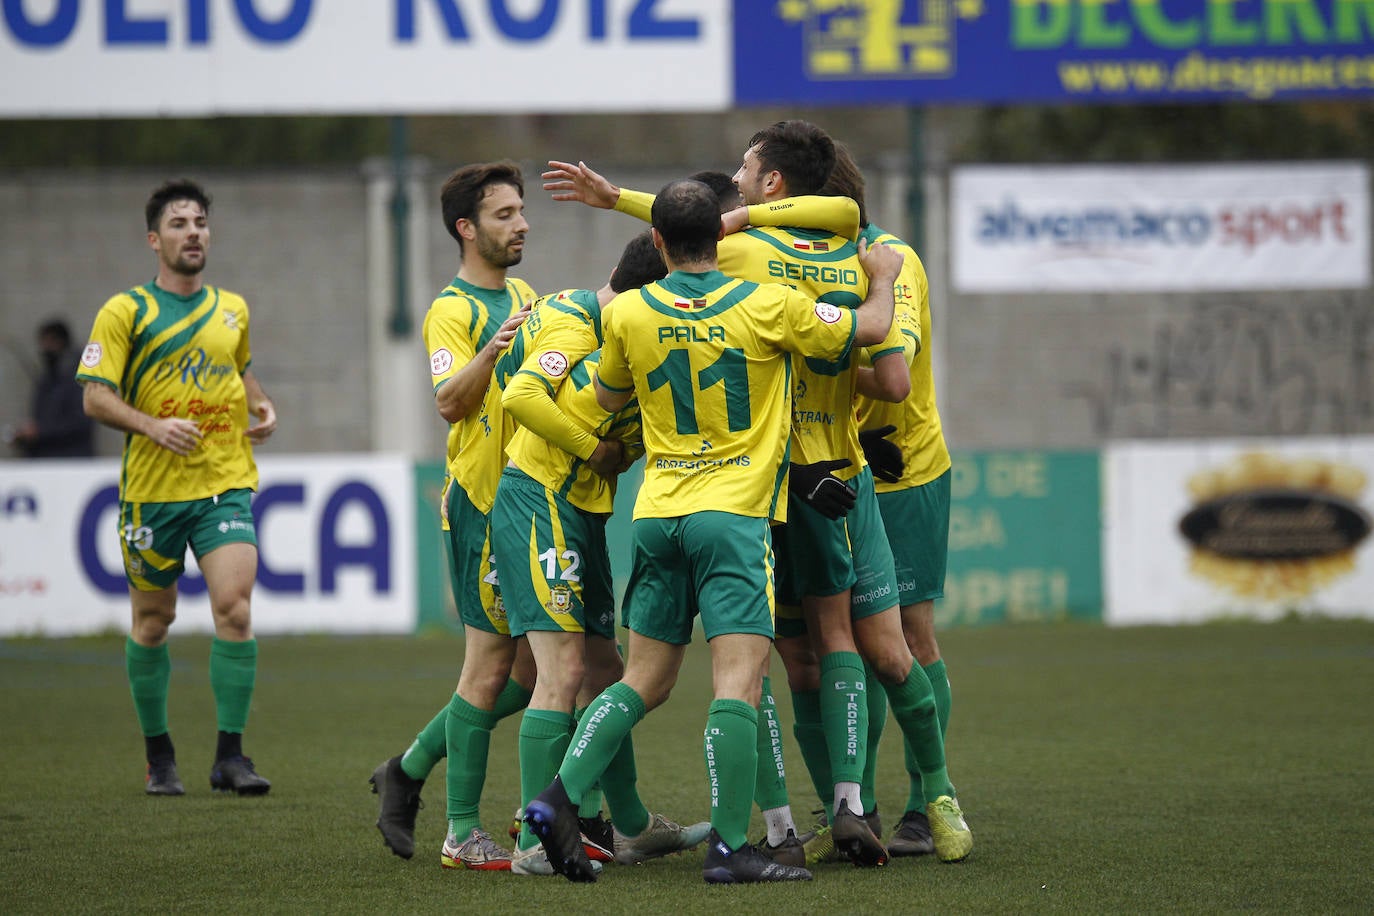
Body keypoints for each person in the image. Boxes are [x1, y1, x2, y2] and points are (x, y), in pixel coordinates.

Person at [540, 121, 972, 866]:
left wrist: (618, 211)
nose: (737, 181)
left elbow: (607, 388)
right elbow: (877, 336)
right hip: (798, 483)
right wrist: (882, 285)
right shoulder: (819, 271)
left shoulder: (665, 297)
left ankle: (570, 801)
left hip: (688, 503)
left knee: (677, 674)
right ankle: (838, 811)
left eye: (746, 168)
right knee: (841, 653)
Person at [492, 231, 709, 876]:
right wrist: (595, 449)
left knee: (605, 671)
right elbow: (520, 396)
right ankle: (535, 843)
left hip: (583, 512)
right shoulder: (572, 322)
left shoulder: (636, 347)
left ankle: (632, 827)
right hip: (539, 501)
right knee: (556, 675)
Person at [78, 178, 277, 797]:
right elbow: (94, 396)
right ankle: (159, 755)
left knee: (235, 608)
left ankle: (230, 757)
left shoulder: (232, 308)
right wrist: (152, 426)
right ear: (153, 239)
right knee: (153, 621)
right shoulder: (124, 312)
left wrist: (262, 405)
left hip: (224, 482)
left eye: (200, 223)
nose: (193, 233)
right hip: (151, 493)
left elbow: (238, 370)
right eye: (179, 224)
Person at [369, 161, 537, 870]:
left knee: (538, 679)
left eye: (521, 210)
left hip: (532, 502)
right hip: (483, 503)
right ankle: (460, 830)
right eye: (503, 214)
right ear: (466, 229)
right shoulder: (452, 309)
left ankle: (407, 767)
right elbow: (449, 401)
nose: (521, 223)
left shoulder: (527, 292)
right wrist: (494, 349)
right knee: (490, 671)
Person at [826, 142, 957, 858]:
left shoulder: (889, 260)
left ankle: (927, 801)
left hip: (902, 468)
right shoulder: (800, 264)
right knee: (847, 635)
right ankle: (856, 805)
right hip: (837, 471)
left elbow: (894, 378)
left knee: (907, 633)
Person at [9, 318, 95, 458]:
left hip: (72, 461)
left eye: (49, 342)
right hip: (46, 461)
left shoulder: (79, 378)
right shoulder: (48, 379)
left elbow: (80, 422)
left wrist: (40, 431)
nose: (45, 348)